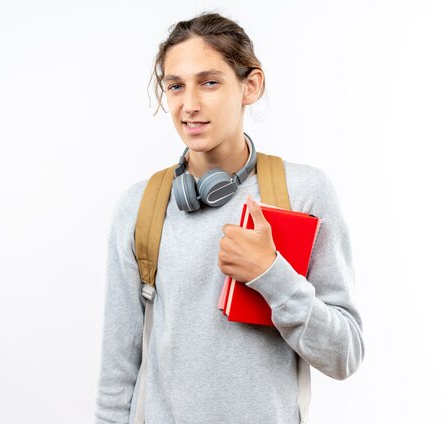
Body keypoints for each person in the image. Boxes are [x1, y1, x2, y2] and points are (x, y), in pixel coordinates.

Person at [95, 12, 364, 424]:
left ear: (250, 86)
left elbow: (344, 355)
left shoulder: (303, 194)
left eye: (209, 82)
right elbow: (118, 375)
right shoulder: (140, 207)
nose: (189, 105)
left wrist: (270, 274)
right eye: (175, 86)